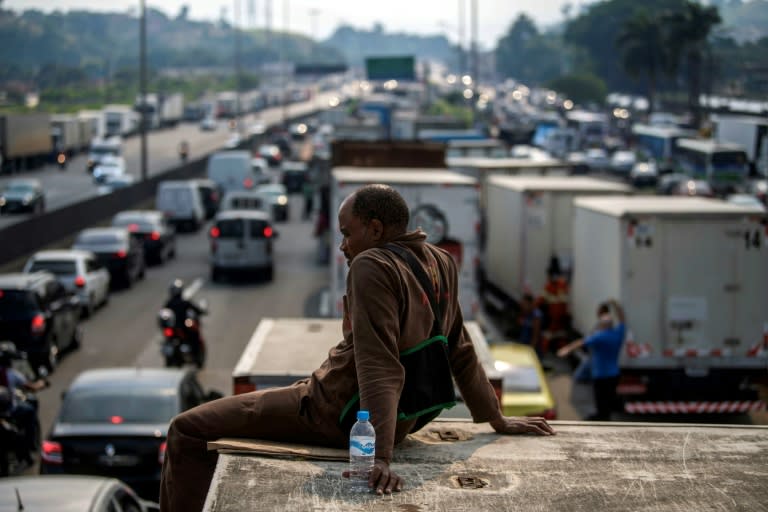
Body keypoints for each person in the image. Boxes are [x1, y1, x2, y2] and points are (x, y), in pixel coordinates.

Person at [159, 184, 555, 511]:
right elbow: (460, 348)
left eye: (348, 233)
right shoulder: (440, 261)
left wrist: (378, 457)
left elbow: (380, 366)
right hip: (402, 419)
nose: (343, 246)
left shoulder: (372, 266)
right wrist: (495, 418)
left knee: (186, 430)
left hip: (332, 413)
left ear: (376, 229)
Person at [556, 299, 626, 421]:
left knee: (600, 399)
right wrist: (617, 306)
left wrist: (566, 350)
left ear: (603, 325)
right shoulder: (618, 334)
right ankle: (606, 416)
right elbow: (622, 319)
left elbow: (581, 343)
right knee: (608, 399)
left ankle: (602, 419)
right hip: (614, 374)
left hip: (601, 375)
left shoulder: (600, 336)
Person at [0, 343, 47, 463]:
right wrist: (42, 383)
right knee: (30, 412)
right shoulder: (11, 374)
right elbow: (31, 387)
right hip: (11, 412)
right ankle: (30, 446)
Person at [163, 279, 204, 355]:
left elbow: (163, 314)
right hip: (181, 326)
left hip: (175, 326)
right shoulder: (183, 302)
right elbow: (196, 309)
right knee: (194, 335)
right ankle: (195, 353)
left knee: (194, 333)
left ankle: (195, 353)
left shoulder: (168, 303)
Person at [518, 293, 544, 358]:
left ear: (531, 304)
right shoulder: (526, 313)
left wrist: (531, 349)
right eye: (522, 304)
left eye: (525, 304)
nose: (523, 306)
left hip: (532, 349)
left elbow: (536, 335)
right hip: (523, 345)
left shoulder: (536, 315)